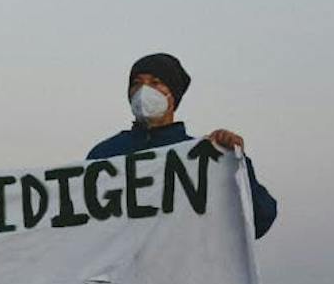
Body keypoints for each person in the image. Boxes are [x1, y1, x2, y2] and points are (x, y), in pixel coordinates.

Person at [87, 53, 278, 239]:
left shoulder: (204, 157)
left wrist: (235, 163)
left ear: (173, 95)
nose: (144, 90)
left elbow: (259, 220)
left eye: (155, 82)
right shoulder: (104, 155)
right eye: (137, 83)